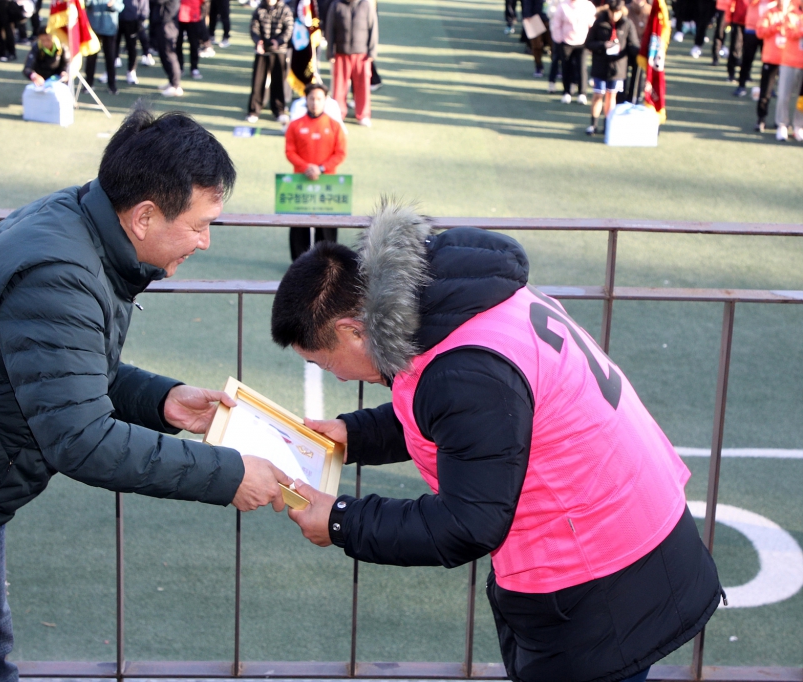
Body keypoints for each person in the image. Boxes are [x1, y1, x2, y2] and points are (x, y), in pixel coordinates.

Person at [0, 106, 292, 682]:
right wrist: (228, 474)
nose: (204, 241)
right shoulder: (59, 269)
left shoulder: (80, 224)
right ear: (145, 216)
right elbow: (81, 440)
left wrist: (161, 399)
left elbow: (61, 370)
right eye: (200, 225)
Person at [271, 202, 723, 682]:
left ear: (352, 331)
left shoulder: (463, 372)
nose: (335, 378)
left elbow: (467, 522)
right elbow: (459, 416)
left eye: (323, 362)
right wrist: (355, 434)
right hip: (628, 541)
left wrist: (341, 521)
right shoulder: (451, 301)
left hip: (601, 582)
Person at [285, 83, 347, 261]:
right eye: (311, 98)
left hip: (327, 183)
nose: (315, 102)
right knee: (299, 224)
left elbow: (340, 153)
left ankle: (327, 262)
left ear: (325, 100)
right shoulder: (295, 125)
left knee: (326, 225)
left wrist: (320, 168)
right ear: (306, 99)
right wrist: (306, 167)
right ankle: (298, 262)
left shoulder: (334, 126)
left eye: (319, 99)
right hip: (301, 181)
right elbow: (290, 151)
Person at [585, 0, 639, 134]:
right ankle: (593, 124)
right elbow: (589, 43)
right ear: (608, 10)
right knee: (598, 94)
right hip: (600, 64)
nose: (614, 15)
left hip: (618, 68)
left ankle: (608, 124)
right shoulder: (600, 22)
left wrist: (641, 52)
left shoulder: (627, 24)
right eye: (612, 12)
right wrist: (603, 45)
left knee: (611, 95)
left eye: (617, 12)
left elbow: (633, 44)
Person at [326, 0, 377, 126]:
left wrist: (372, 51)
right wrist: (330, 52)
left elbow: (373, 28)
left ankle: (363, 115)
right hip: (341, 53)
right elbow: (330, 28)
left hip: (361, 54)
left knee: (363, 85)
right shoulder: (336, 5)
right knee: (339, 86)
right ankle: (338, 113)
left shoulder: (365, 4)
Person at [757, 0, 803, 140]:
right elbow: (788, 32)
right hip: (789, 61)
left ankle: (799, 126)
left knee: (801, 98)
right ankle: (782, 124)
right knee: (784, 95)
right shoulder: (791, 14)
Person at [246, 0, 293, 123]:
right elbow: (253, 28)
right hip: (262, 51)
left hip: (279, 51)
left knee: (278, 81)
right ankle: (254, 110)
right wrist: (258, 42)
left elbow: (288, 29)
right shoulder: (259, 9)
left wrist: (279, 41)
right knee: (258, 81)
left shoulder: (285, 10)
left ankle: (279, 110)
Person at [549, 0, 595, 102]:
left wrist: (591, 39)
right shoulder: (563, 6)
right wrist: (559, 39)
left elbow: (592, 23)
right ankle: (566, 92)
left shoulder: (587, 5)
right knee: (566, 67)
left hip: (582, 42)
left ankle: (582, 93)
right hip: (566, 42)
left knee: (582, 67)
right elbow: (557, 24)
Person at [86, 0, 120, 93]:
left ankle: (112, 85)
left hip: (109, 30)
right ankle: (88, 84)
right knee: (91, 58)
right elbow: (85, 4)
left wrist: (113, 5)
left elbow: (120, 7)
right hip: (93, 29)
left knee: (110, 58)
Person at [151, 0, 183, 96]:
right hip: (163, 23)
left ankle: (175, 85)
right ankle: (171, 82)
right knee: (164, 54)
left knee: (169, 55)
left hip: (168, 24)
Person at [119, 0, 150, 83]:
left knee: (132, 47)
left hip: (132, 19)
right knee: (112, 47)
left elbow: (144, 3)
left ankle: (131, 70)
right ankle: (109, 72)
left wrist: (142, 17)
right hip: (115, 17)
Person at [176, 0, 203, 79]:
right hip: (178, 12)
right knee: (178, 43)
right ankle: (179, 67)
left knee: (194, 44)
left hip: (193, 13)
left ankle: (194, 68)